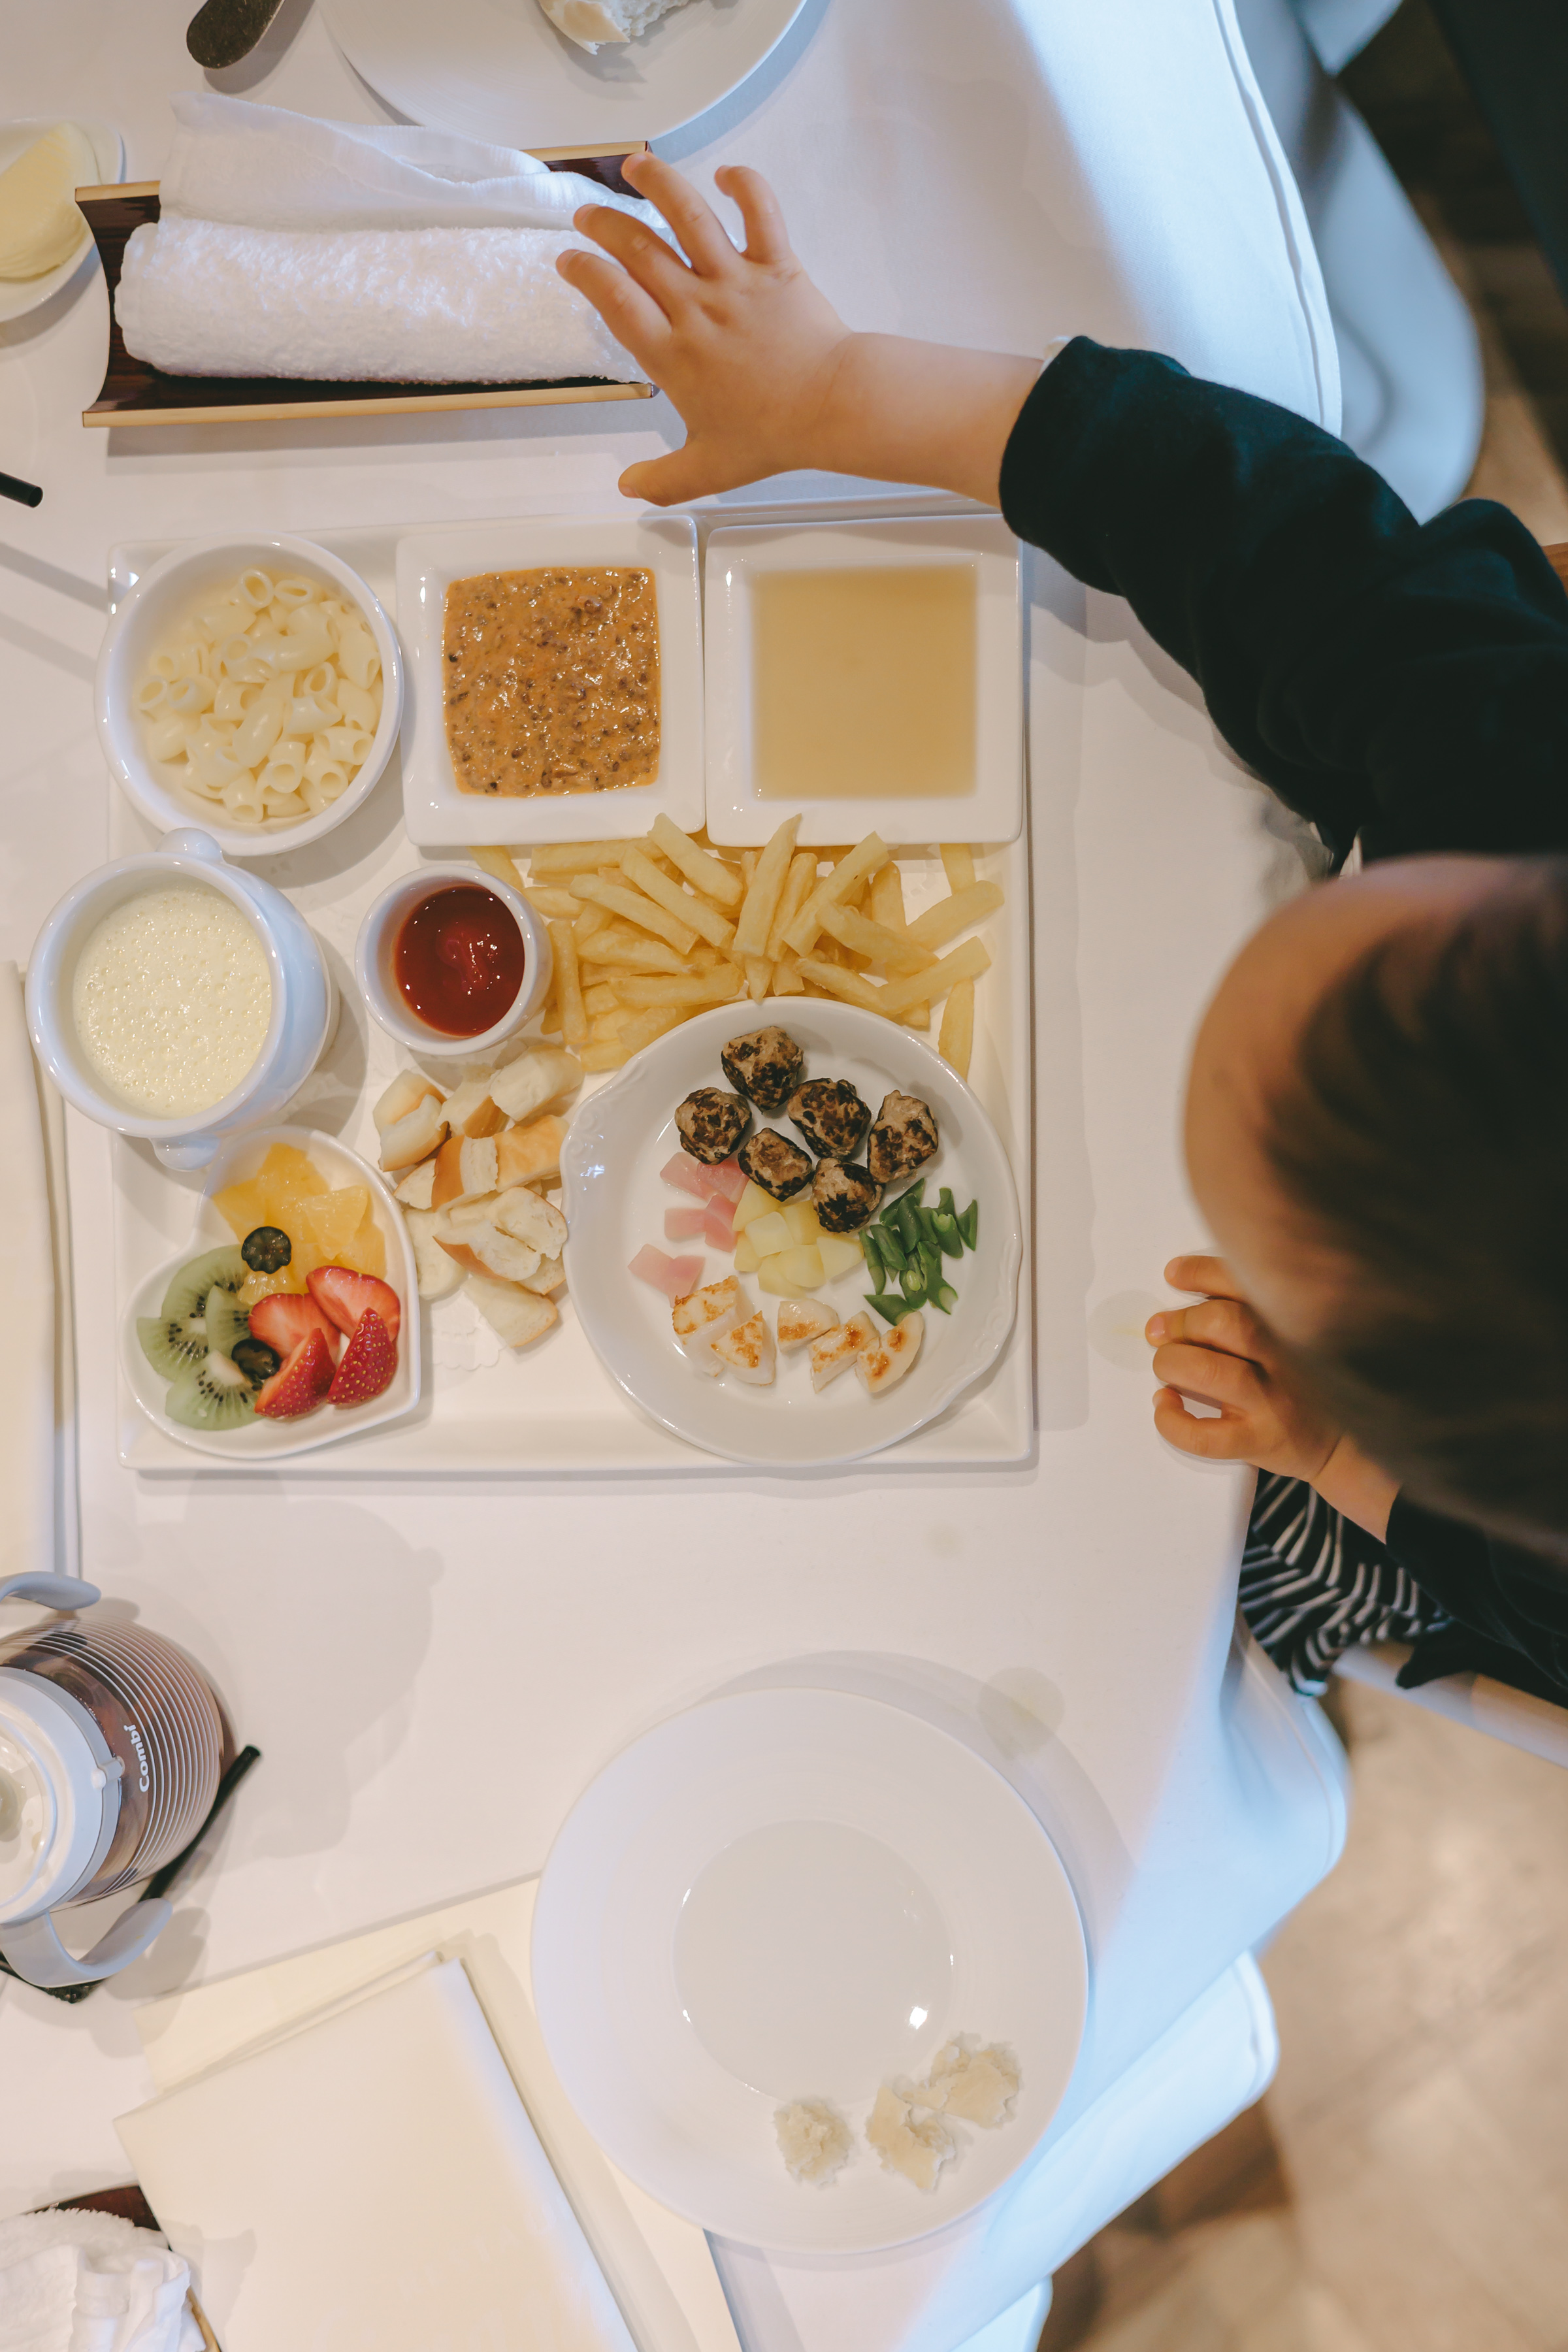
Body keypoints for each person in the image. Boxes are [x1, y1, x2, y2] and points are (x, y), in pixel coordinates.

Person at [555, 155, 1568, 1705]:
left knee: (1252, 1590)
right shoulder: (1506, 735)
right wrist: (840, 390)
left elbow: (1503, 1578)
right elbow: (1262, 530)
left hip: (1450, 1539)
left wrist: (1328, 1446)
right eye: (1365, 894)